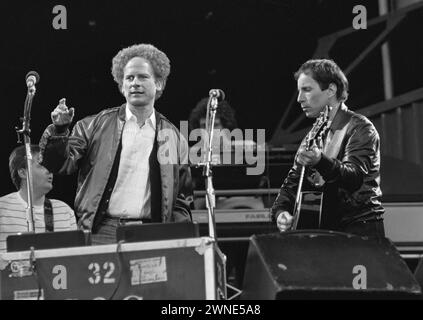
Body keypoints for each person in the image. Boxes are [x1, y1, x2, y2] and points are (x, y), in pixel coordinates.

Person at [39, 44, 193, 245]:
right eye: (129, 78)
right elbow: (60, 165)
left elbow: (181, 200)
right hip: (101, 232)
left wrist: (180, 241)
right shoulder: (93, 125)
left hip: (150, 233)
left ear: (159, 83)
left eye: (142, 77)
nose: (134, 83)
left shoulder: (173, 137)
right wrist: (59, 132)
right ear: (121, 86)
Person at [272, 59, 385, 237]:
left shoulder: (360, 128)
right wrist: (281, 212)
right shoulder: (312, 135)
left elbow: (353, 177)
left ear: (331, 90)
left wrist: (320, 161)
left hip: (359, 232)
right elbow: (291, 185)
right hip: (325, 233)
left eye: (307, 90)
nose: (299, 98)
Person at [0, 145, 77, 252]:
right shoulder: (2, 208)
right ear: (22, 172)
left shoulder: (65, 211)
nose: (50, 170)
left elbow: (74, 259)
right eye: (42, 164)